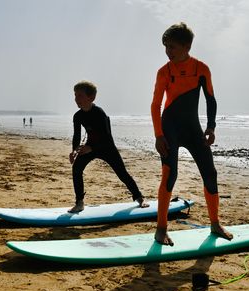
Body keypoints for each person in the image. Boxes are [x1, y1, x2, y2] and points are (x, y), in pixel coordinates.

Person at [151, 22, 233, 246]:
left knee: (210, 172)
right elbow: (156, 104)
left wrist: (212, 126)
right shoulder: (164, 72)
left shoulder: (201, 69)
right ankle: (161, 229)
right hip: (170, 129)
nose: (168, 52)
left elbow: (211, 99)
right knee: (170, 175)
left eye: (172, 47)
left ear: (186, 46)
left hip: (193, 128)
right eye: (165, 47)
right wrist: (158, 135)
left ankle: (215, 224)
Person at [68, 80, 149, 213]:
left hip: (107, 147)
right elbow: (77, 136)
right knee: (76, 168)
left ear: (91, 97)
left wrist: (91, 148)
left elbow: (106, 136)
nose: (76, 99)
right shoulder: (78, 116)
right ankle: (79, 203)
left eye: (80, 95)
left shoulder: (99, 113)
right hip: (90, 146)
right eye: (75, 95)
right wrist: (74, 151)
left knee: (122, 173)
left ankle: (139, 198)